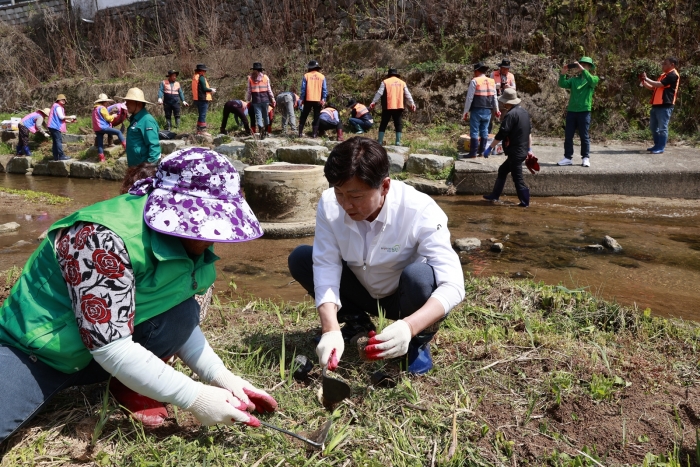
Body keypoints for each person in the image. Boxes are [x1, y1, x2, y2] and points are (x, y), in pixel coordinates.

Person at [0, 148, 277, 443]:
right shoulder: (101, 239)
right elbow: (110, 347)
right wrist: (195, 398)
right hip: (37, 353)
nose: (212, 236)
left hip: (99, 353)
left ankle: (129, 382)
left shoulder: (186, 241)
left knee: (182, 312)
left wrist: (222, 378)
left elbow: (177, 320)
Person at [287, 137, 465, 375]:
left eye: (356, 196)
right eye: (339, 192)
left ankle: (416, 342)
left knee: (420, 276)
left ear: (385, 186)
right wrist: (329, 328)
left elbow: (453, 284)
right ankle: (356, 322)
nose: (345, 204)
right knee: (302, 258)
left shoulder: (419, 210)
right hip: (362, 290)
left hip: (403, 298)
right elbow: (326, 264)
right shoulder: (330, 204)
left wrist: (409, 326)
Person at [482, 88, 533, 207]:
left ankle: (525, 203)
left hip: (515, 152)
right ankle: (494, 195)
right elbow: (529, 133)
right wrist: (529, 150)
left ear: (507, 102)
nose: (502, 103)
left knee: (518, 179)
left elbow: (501, 134)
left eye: (503, 101)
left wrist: (490, 148)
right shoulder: (524, 112)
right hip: (522, 150)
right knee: (503, 170)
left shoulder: (510, 115)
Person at [557, 56, 599, 167]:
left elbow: (591, 81)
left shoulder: (593, 79)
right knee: (568, 135)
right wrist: (563, 74)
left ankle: (585, 157)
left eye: (585, 65)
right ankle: (567, 157)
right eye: (581, 64)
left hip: (584, 111)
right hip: (571, 111)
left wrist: (583, 70)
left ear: (589, 67)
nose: (582, 66)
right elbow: (562, 84)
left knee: (584, 136)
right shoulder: (574, 80)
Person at [641, 57, 680, 154]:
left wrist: (646, 78)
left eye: (665, 64)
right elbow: (653, 87)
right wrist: (643, 82)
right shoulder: (663, 75)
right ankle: (656, 145)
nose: (663, 65)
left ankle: (661, 147)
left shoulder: (673, 75)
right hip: (656, 105)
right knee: (653, 127)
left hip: (665, 105)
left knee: (663, 127)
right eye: (663, 63)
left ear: (672, 65)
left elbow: (658, 84)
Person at [462, 63, 500, 158]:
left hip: (477, 109)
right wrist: (497, 109)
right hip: (488, 110)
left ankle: (473, 153)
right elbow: (495, 97)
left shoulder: (475, 81)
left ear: (476, 71)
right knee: (484, 131)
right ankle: (482, 152)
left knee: (474, 131)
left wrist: (465, 111)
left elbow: (470, 97)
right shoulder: (492, 81)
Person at [370, 68, 416, 146]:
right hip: (399, 106)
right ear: (396, 75)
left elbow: (379, 93)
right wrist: (412, 103)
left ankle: (380, 141)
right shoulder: (402, 83)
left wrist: (373, 102)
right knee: (398, 124)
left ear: (389, 75)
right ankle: (398, 142)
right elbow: (407, 94)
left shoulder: (385, 82)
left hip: (388, 106)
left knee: (383, 123)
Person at [118, 87, 161, 167]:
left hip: (143, 169)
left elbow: (154, 146)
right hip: (135, 168)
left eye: (129, 101)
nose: (126, 104)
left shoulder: (147, 120)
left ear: (139, 104)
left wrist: (149, 168)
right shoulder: (135, 119)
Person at [92, 93, 126, 163]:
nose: (107, 103)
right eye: (106, 102)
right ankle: (126, 147)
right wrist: (113, 116)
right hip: (103, 127)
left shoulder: (95, 109)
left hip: (97, 129)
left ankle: (102, 159)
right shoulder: (102, 108)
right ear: (104, 102)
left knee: (100, 144)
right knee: (118, 132)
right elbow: (108, 118)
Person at [246, 62, 276, 140]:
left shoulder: (250, 78)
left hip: (256, 100)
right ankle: (266, 131)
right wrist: (272, 99)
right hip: (265, 99)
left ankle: (261, 131)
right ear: (261, 69)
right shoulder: (265, 77)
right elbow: (269, 90)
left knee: (258, 116)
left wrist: (248, 99)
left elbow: (249, 91)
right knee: (265, 116)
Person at [299, 60, 327, 138]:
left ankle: (300, 133)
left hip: (308, 99)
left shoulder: (306, 75)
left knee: (304, 116)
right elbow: (324, 89)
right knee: (316, 117)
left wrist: (302, 99)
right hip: (318, 100)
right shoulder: (322, 76)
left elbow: (303, 89)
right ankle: (314, 134)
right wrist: (323, 99)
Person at [489, 59, 516, 133]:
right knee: (490, 118)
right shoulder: (493, 74)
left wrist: (508, 87)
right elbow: (489, 85)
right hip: (494, 99)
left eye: (506, 69)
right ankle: (487, 134)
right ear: (500, 67)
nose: (504, 70)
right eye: (503, 68)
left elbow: (514, 87)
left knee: (505, 119)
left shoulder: (511, 76)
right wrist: (496, 86)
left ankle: (503, 135)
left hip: (506, 100)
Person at [47, 94, 75, 161]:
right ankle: (62, 156)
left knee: (55, 142)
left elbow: (60, 119)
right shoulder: (58, 107)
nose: (64, 101)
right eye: (62, 99)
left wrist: (69, 121)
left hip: (52, 126)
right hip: (55, 126)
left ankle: (56, 157)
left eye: (64, 100)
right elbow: (61, 117)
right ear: (58, 100)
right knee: (58, 141)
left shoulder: (55, 106)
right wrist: (71, 116)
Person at [192, 64, 216, 136]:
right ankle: (202, 130)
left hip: (197, 98)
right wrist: (211, 90)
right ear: (201, 71)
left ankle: (198, 130)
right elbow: (204, 88)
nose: (205, 72)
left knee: (200, 114)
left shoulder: (195, 77)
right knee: (203, 115)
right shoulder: (201, 77)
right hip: (202, 98)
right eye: (204, 70)